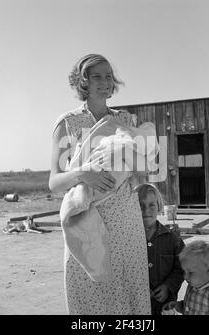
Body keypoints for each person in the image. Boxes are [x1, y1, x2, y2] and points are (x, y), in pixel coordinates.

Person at [49, 54, 153, 314]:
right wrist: (84, 173)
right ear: (83, 81)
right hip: (86, 220)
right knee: (88, 291)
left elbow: (141, 171)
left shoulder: (126, 121)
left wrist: (143, 165)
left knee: (128, 289)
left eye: (108, 76)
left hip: (126, 222)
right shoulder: (69, 124)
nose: (105, 82)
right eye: (97, 76)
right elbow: (54, 182)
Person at [135, 183, 185, 315]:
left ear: (159, 206)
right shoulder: (128, 241)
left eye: (152, 205)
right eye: (140, 205)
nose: (146, 210)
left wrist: (168, 286)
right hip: (135, 305)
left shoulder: (172, 238)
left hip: (164, 307)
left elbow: (182, 268)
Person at [162, 240, 209, 315]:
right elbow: (190, 306)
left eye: (191, 272)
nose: (186, 276)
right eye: (184, 271)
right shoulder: (192, 286)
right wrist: (179, 306)